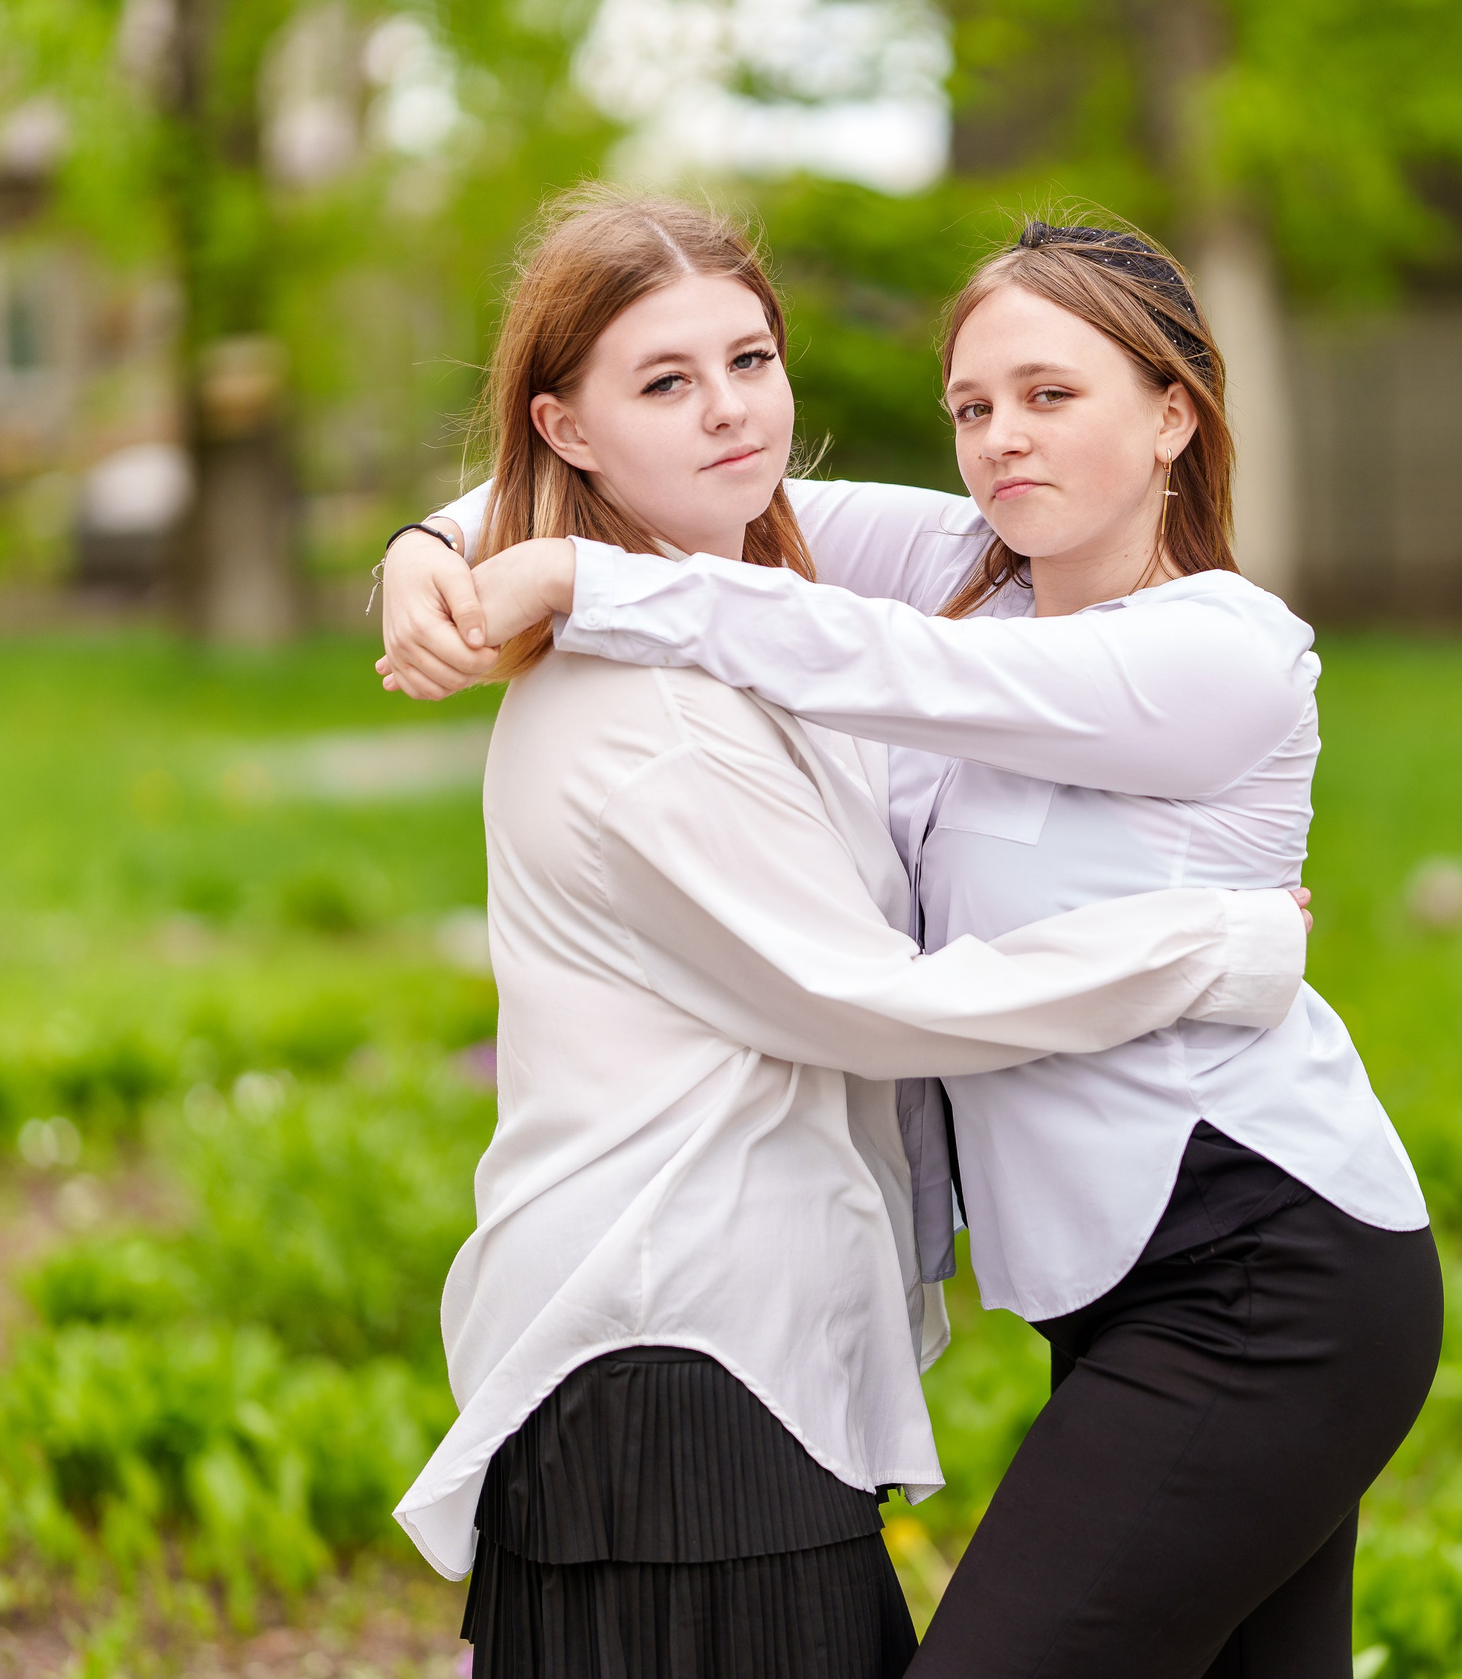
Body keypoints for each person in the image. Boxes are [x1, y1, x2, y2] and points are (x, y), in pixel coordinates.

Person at [386, 188, 1317, 1679]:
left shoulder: (784, 601)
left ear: (1175, 415)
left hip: (754, 1359)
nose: (730, 415)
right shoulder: (652, 718)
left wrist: (503, 551)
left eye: (751, 360)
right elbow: (860, 1002)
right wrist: (1210, 947)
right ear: (567, 430)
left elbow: (840, 626)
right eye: (667, 383)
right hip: (675, 1363)